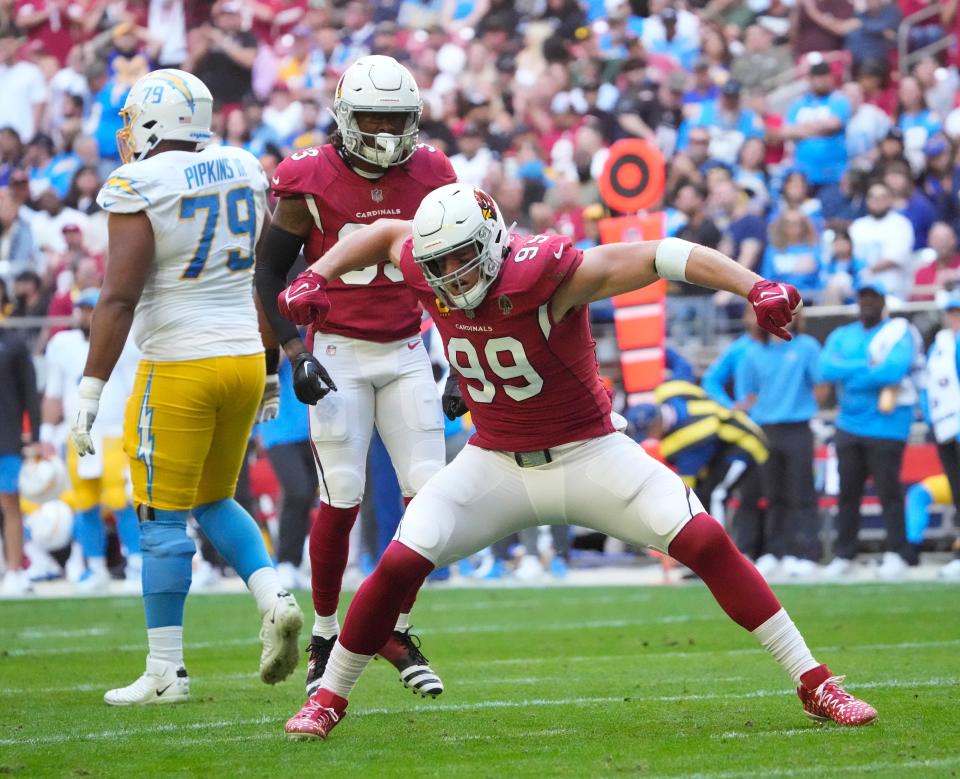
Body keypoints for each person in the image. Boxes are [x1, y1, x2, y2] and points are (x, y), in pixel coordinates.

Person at [277, 183, 878, 739]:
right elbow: (383, 234)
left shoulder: (550, 273)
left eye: (459, 259)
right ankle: (328, 697)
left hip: (591, 454)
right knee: (398, 565)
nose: (447, 276)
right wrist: (318, 275)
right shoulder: (428, 259)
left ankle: (815, 682)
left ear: (491, 243)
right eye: (436, 264)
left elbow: (663, 253)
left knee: (708, 543)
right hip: (494, 462)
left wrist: (754, 285)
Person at [68, 68, 303, 705]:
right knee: (214, 498)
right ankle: (274, 596)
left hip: (179, 364)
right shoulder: (244, 165)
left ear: (153, 119)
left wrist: (90, 390)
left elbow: (117, 298)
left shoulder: (138, 182)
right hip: (242, 361)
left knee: (160, 520)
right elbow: (264, 276)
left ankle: (166, 670)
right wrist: (274, 364)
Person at [254, 55, 454, 699]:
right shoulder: (307, 176)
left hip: (405, 350)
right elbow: (269, 273)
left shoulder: (432, 172)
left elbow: (456, 272)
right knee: (341, 497)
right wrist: (293, 351)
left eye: (397, 118)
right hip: (337, 351)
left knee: (430, 500)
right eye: (373, 117)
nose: (387, 130)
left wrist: (457, 359)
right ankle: (324, 632)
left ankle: (393, 627)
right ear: (345, 116)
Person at [41, 287, 142, 592]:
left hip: (113, 430)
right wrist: (46, 434)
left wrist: (135, 431)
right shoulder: (62, 344)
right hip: (79, 432)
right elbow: (54, 392)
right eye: (83, 309)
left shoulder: (124, 340)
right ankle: (94, 566)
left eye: (92, 309)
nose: (86, 315)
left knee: (119, 499)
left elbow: (132, 390)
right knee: (84, 502)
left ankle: (136, 564)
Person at [819, 280, 920, 579]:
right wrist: (867, 367)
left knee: (889, 492)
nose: (867, 303)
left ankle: (896, 553)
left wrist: (851, 373)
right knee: (848, 493)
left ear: (883, 302)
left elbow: (893, 370)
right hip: (848, 424)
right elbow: (825, 369)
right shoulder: (842, 334)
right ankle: (845, 554)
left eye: (873, 298)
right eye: (863, 297)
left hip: (887, 426)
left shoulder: (898, 333)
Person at [736, 312, 823, 578]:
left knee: (802, 492)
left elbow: (820, 384)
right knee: (773, 495)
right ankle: (776, 551)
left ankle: (805, 552)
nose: (782, 321)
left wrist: (805, 406)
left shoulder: (806, 346)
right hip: (765, 431)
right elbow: (748, 394)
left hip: (797, 427)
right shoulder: (753, 353)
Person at [0, 324, 40, 596]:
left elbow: (29, 391)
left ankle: (15, 570)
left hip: (6, 437)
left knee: (9, 502)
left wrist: (34, 436)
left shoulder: (13, 344)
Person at [922, 292, 960, 578]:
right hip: (945, 425)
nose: (955, 317)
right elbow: (930, 385)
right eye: (952, 312)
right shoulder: (941, 344)